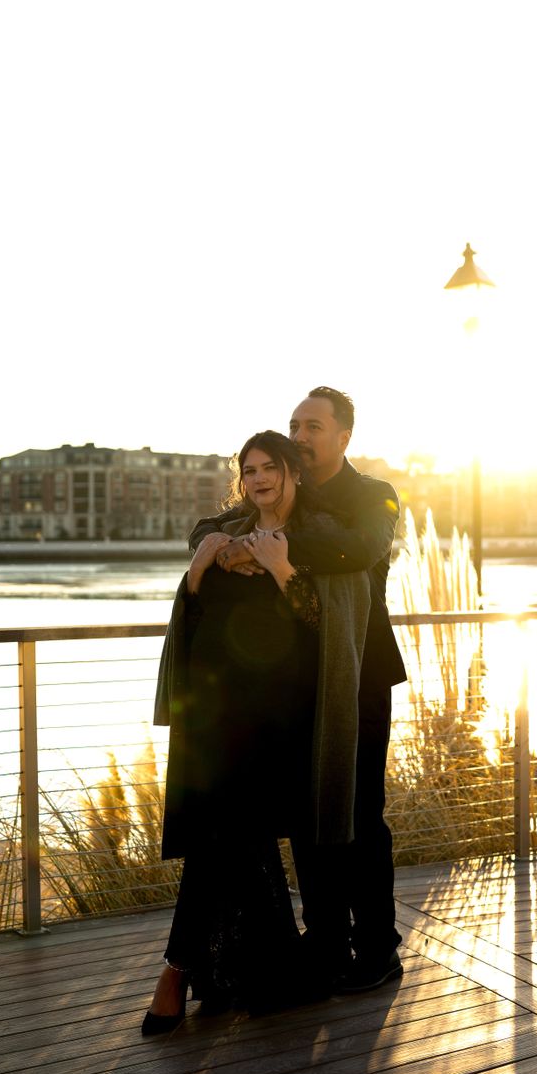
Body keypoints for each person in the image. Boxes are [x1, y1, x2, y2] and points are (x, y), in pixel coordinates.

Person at [143, 429, 369, 1034]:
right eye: (249, 470)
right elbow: (193, 617)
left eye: (270, 467)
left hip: (279, 718)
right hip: (216, 713)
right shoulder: (223, 534)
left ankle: (176, 972)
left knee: (222, 835)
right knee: (225, 837)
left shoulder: (320, 538)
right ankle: (244, 969)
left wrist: (281, 567)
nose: (260, 478)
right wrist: (197, 571)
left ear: (293, 472)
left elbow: (325, 629)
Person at [192, 387, 406, 993]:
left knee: (360, 812)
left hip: (359, 673)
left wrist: (262, 551)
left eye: (313, 426)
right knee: (310, 814)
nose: (301, 436)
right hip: (298, 681)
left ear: (344, 436)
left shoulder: (375, 494)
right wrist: (236, 545)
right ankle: (326, 940)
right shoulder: (288, 491)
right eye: (294, 426)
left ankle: (379, 948)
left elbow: (358, 547)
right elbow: (209, 527)